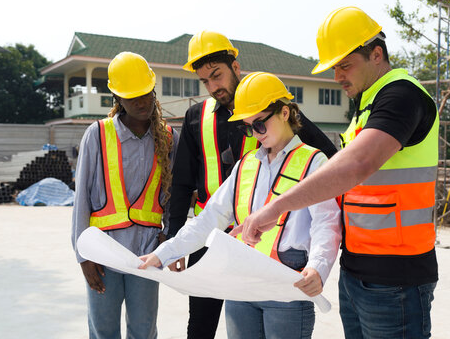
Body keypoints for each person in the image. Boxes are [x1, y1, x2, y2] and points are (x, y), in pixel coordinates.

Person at [232, 6, 439, 339]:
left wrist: (276, 207)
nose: (337, 77)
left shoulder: (402, 95)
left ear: (376, 54)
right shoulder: (367, 105)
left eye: (345, 65)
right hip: (359, 272)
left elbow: (356, 165)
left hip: (397, 278)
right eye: (334, 67)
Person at [139, 71, 341, 339]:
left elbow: (326, 224)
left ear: (284, 113)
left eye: (259, 124)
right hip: (241, 290)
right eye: (248, 127)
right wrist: (164, 253)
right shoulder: (246, 166)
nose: (255, 134)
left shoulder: (314, 163)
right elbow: (209, 219)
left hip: (288, 290)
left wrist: (318, 267)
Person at [71, 51, 179, 339]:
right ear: (117, 99)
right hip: (103, 255)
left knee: (144, 332)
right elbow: (81, 198)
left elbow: (173, 196)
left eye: (146, 94)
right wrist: (83, 256)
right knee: (103, 331)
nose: (142, 102)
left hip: (146, 254)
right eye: (133, 98)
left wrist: (168, 237)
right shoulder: (97, 134)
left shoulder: (169, 138)